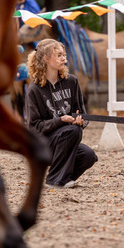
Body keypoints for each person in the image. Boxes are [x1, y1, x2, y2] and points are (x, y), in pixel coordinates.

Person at [24, 39, 98, 188]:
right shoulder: (34, 90)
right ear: (46, 58)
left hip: (67, 139)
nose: (64, 58)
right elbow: (34, 128)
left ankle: (62, 178)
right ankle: (54, 180)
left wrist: (81, 122)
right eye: (59, 55)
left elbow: (82, 113)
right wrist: (61, 120)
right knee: (73, 131)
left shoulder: (72, 82)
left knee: (88, 155)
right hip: (44, 145)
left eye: (64, 55)